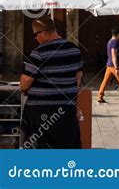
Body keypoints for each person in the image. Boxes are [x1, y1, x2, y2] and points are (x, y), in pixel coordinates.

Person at [20, 16, 83, 149]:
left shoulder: (39, 53)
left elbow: (25, 83)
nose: (35, 38)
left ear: (43, 33)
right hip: (67, 109)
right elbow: (78, 76)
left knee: (40, 150)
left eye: (35, 35)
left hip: (41, 111)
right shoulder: (74, 49)